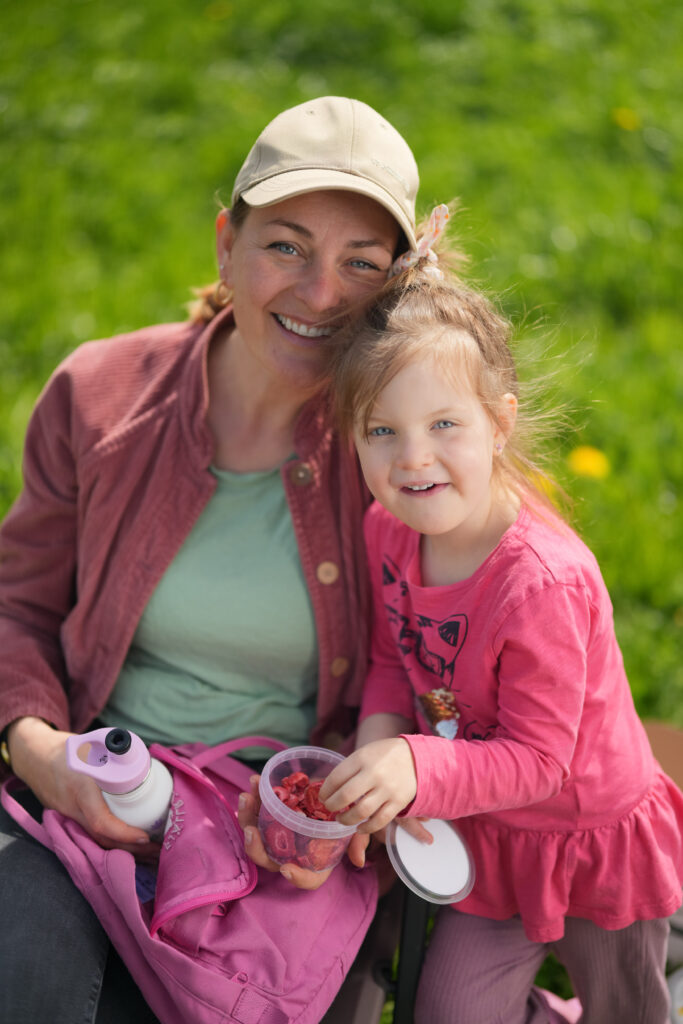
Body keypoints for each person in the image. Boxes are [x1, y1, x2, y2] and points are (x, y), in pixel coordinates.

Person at [0, 95, 423, 1023]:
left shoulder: (407, 451)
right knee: (22, 978)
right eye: (286, 246)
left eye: (361, 263)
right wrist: (37, 752)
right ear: (226, 243)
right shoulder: (100, 395)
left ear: (399, 288)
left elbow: (487, 640)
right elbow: (16, 608)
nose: (320, 294)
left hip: (278, 844)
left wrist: (352, 798)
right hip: (85, 787)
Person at [321, 253, 683, 1023]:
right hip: (485, 831)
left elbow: (543, 762)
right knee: (446, 1013)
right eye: (381, 431)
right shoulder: (388, 529)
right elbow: (395, 657)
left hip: (587, 832)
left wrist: (414, 761)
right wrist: (378, 742)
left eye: (443, 425)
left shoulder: (541, 585)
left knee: (628, 1007)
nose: (412, 457)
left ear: (501, 422)